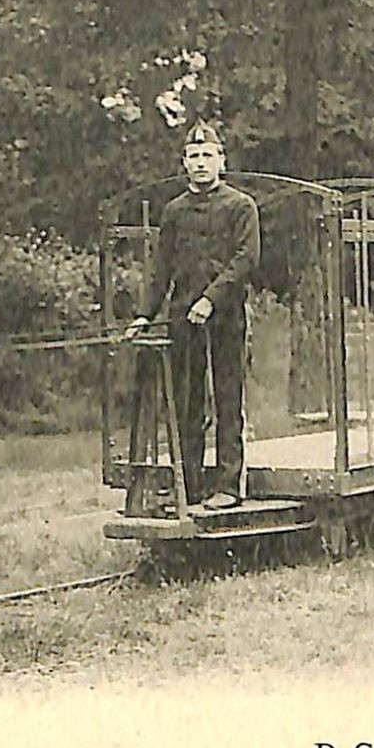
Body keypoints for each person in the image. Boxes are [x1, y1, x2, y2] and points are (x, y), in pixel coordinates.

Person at [125, 121, 260, 509]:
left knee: (227, 398)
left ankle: (230, 486)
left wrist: (211, 299)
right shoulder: (174, 212)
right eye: (194, 156)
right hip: (183, 317)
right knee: (187, 400)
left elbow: (246, 260)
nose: (201, 163)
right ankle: (190, 484)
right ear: (184, 163)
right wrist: (144, 315)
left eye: (208, 156)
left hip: (226, 316)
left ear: (222, 160)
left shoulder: (240, 206)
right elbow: (160, 268)